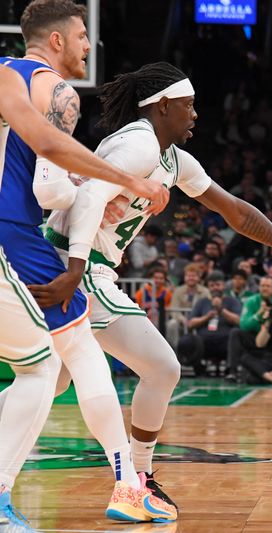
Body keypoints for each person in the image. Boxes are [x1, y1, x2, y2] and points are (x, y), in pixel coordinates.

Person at [39, 62, 272, 509]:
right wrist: (77, 265)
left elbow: (236, 212)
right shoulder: (137, 142)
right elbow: (90, 195)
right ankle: (139, 479)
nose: (195, 115)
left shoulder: (172, 159)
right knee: (162, 367)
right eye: (188, 106)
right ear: (162, 107)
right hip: (74, 264)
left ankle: (134, 480)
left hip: (79, 263)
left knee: (48, 382)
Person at [0, 1, 174, 524]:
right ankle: (120, 484)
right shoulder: (55, 91)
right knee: (54, 363)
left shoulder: (7, 74)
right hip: (12, 235)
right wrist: (123, 182)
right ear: (54, 41)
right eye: (80, 36)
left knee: (55, 359)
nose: (87, 46)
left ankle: (126, 481)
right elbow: (50, 188)